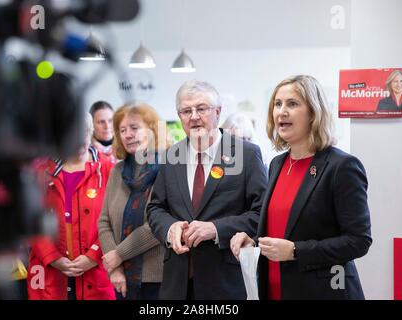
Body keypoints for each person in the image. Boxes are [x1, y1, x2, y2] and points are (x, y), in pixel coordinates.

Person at [230, 75, 372, 300]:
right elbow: (282, 228)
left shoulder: (341, 166)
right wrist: (254, 243)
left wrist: (296, 251)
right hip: (276, 291)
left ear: (314, 113)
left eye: (292, 104)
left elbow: (359, 241)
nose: (281, 111)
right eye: (277, 104)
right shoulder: (277, 164)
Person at [147, 80, 268, 300]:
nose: (193, 116)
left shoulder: (247, 154)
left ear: (218, 112)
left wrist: (215, 228)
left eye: (201, 109)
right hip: (177, 284)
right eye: (186, 111)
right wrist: (169, 227)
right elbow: (155, 208)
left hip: (225, 283)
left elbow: (262, 214)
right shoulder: (170, 157)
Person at [27, 114, 115, 300]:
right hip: (49, 276)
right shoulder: (40, 171)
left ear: (91, 132)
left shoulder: (109, 169)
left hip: (97, 274)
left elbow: (118, 219)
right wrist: (53, 257)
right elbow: (29, 220)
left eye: (83, 133)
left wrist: (93, 255)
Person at [98, 103, 166, 300]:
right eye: (122, 130)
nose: (128, 135)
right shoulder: (117, 171)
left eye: (134, 128)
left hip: (157, 281)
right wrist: (115, 267)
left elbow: (158, 224)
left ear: (152, 130)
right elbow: (104, 222)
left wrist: (118, 254)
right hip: (120, 277)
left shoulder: (168, 169)